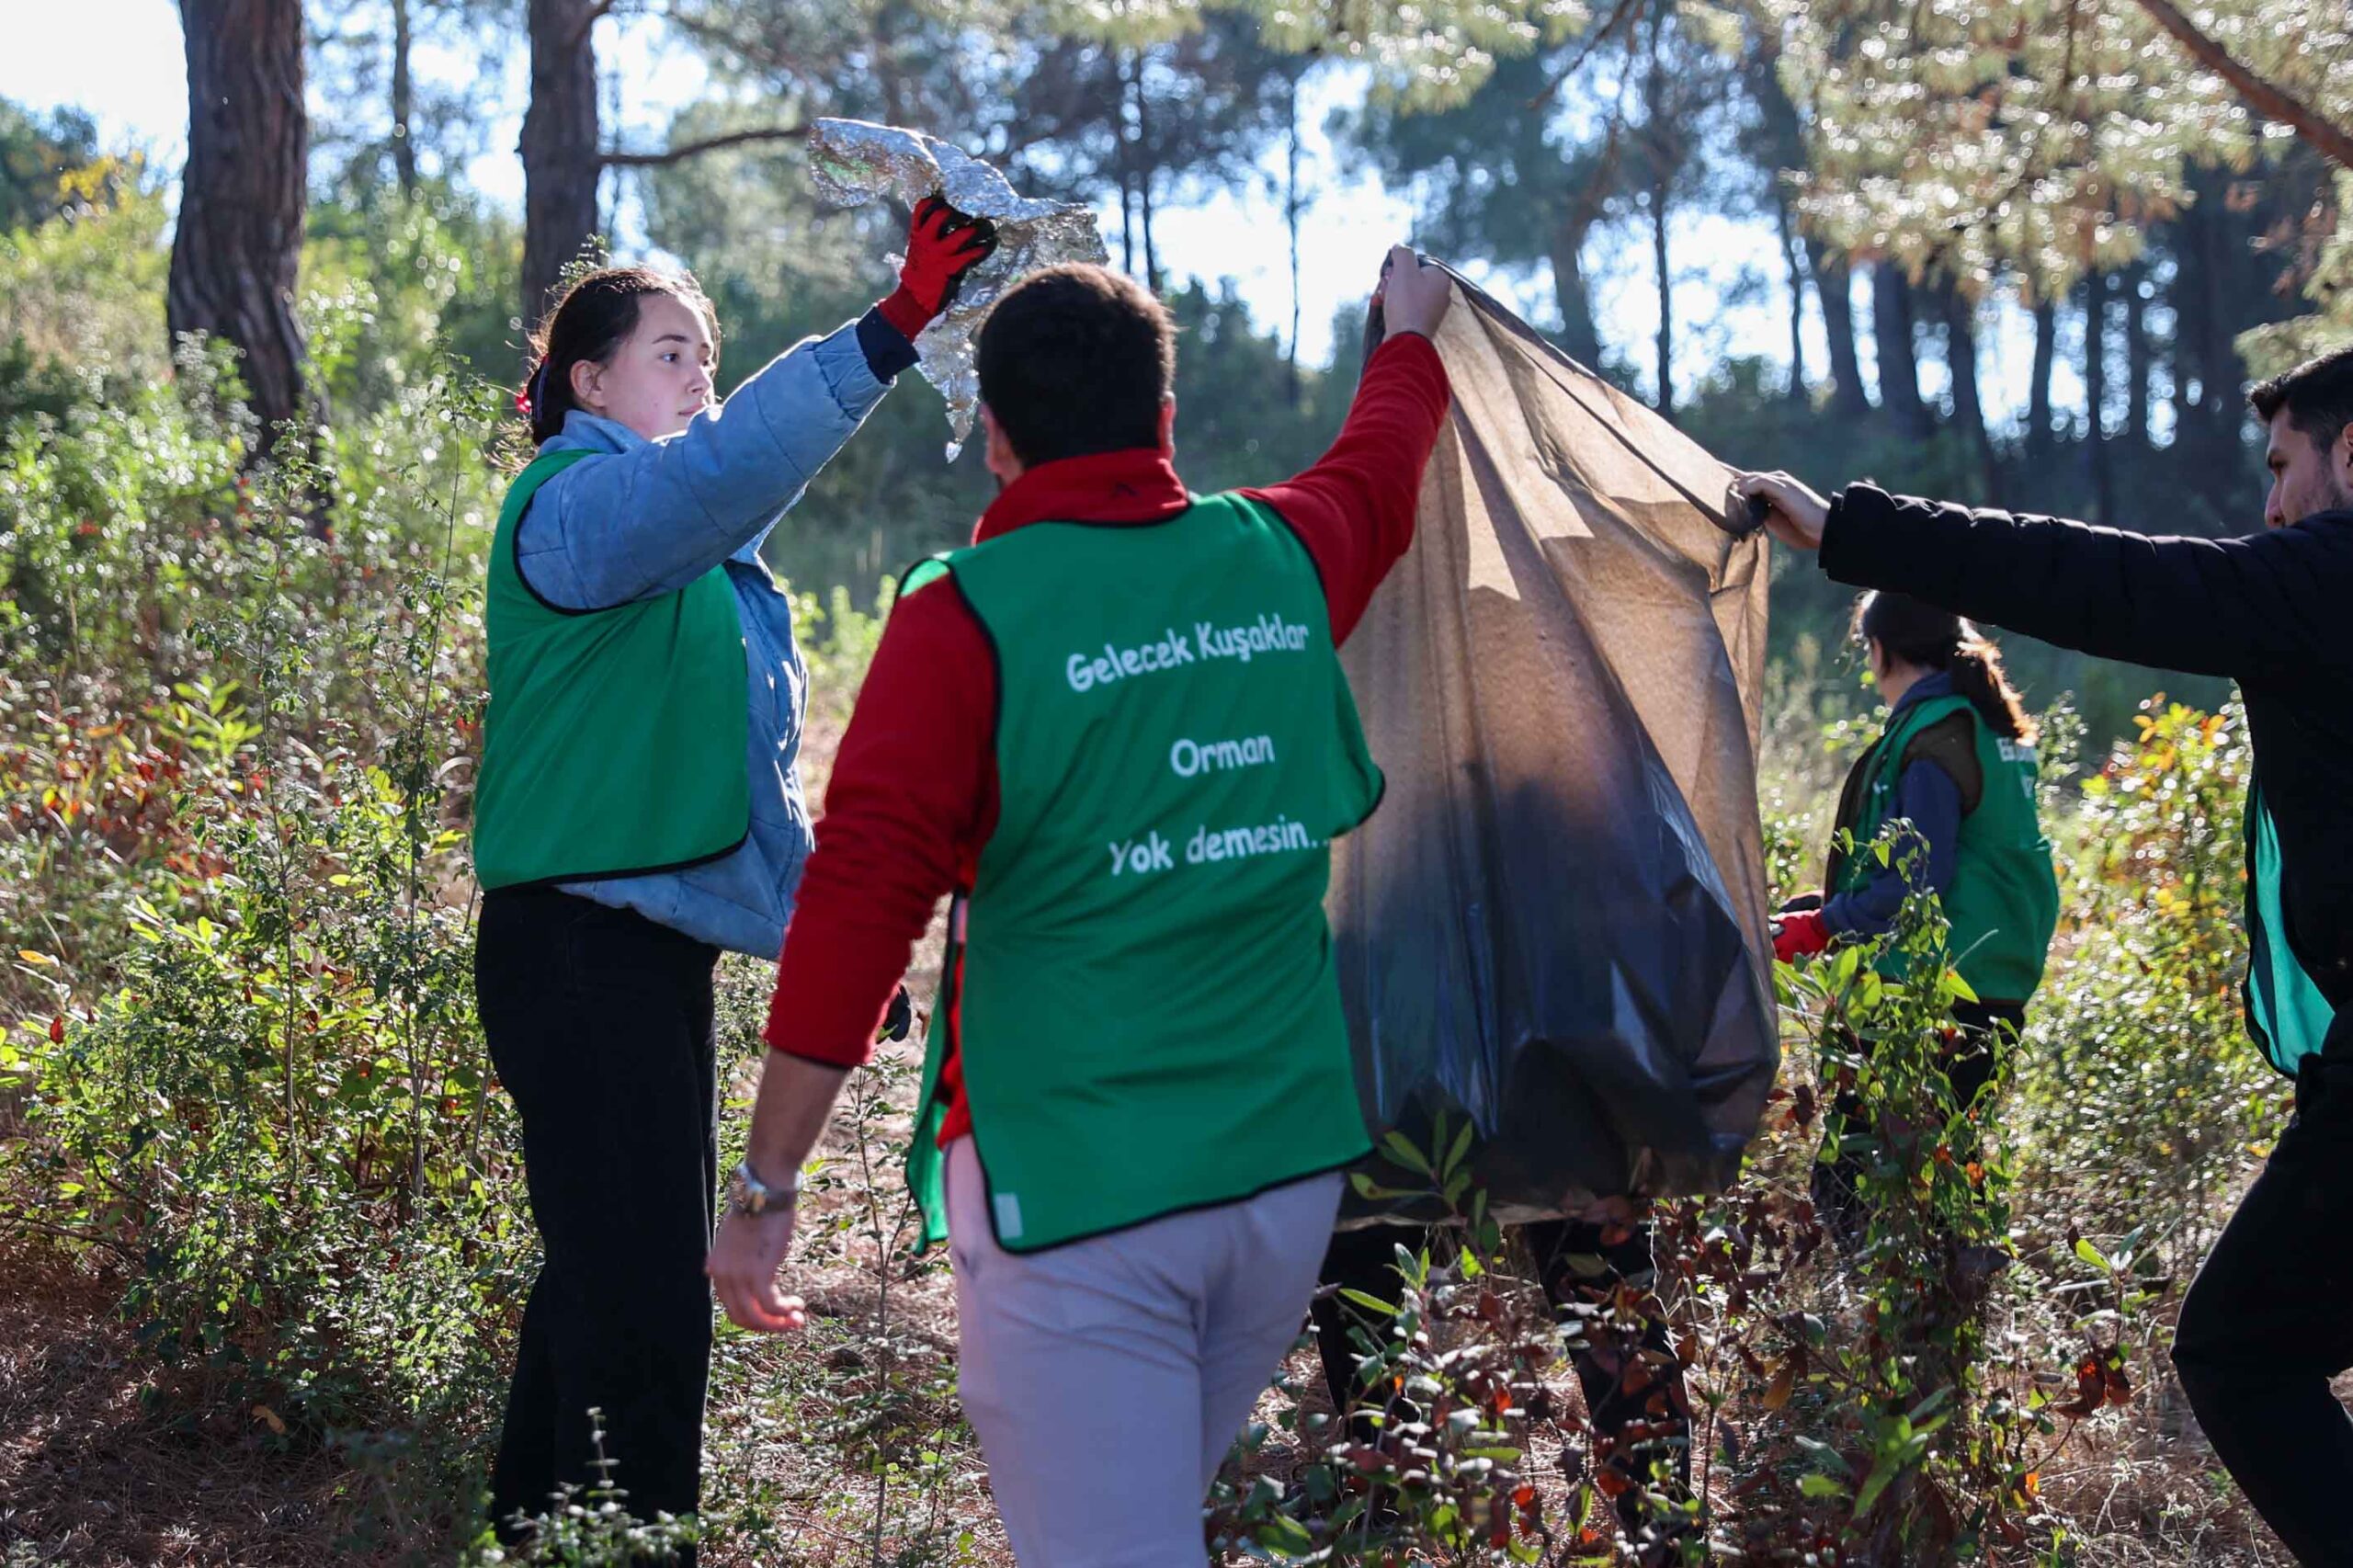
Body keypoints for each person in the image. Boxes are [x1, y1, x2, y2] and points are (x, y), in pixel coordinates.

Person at [705, 248, 1455, 1566]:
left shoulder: (963, 617)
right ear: (1166, 420)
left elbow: (860, 907)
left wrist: (769, 1186)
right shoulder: (1281, 552)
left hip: (1084, 1202)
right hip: (1283, 1186)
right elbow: (1381, 467)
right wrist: (1407, 335)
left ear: (994, 439)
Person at [1735, 341, 2353, 1568]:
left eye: (2284, 468)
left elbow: (2107, 581)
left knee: (2240, 1350)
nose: (2269, 505)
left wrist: (1854, 526)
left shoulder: (2329, 577)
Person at [472, 198, 995, 1554]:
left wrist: (837, 946)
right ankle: (635, 1542)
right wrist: (887, 330)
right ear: (585, 384)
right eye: (670, 354)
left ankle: (536, 1534)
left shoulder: (698, 564)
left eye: (708, 355)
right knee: (637, 1287)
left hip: (642, 959)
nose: (700, 378)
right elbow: (721, 474)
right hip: (574, 953)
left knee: (606, 1278)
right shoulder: (574, 512)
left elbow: (733, 797)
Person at [1777, 590, 2059, 1241]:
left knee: (1849, 1186)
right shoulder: (1986, 727)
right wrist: (1832, 909)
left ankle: (1891, 1334)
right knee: (1943, 1185)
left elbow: (1915, 882)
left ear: (1879, 651)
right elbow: (1961, 865)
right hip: (1993, 992)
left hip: (1929, 1000)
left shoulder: (1933, 737)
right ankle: (1953, 1326)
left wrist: (1822, 927)